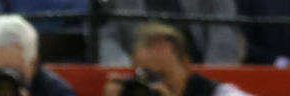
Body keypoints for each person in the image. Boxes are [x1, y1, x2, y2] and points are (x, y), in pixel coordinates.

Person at [102, 22, 266, 96]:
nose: (157, 84)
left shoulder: (209, 89)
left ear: (186, 65)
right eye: (147, 75)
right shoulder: (133, 92)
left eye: (163, 75)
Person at [96, 0, 245, 66]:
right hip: (142, 76)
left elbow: (225, 31)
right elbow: (107, 35)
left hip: (199, 71)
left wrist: (209, 82)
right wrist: (127, 76)